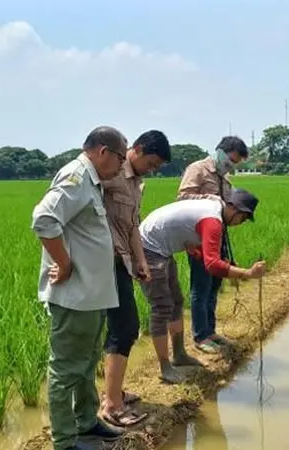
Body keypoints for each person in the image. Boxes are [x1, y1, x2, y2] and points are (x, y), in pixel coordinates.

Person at [31, 126, 128, 450]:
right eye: (120, 157)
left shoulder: (92, 181)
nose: (121, 165)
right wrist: (65, 262)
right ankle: (64, 441)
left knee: (86, 363)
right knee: (65, 369)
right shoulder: (75, 176)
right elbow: (44, 218)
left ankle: (86, 422)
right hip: (75, 297)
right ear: (103, 152)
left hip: (92, 296)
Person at [138, 188, 265, 384]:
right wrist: (247, 273)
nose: (241, 223)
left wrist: (227, 266)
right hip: (148, 247)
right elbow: (212, 264)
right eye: (243, 217)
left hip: (161, 248)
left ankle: (179, 355)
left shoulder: (215, 213)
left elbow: (199, 248)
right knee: (162, 307)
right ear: (233, 208)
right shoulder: (212, 220)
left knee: (176, 302)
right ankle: (165, 368)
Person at [98, 130, 171, 427]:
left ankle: (113, 393)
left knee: (122, 328)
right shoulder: (109, 174)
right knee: (125, 328)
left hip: (122, 261)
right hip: (103, 262)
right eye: (151, 163)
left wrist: (140, 261)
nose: (152, 170)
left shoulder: (137, 184)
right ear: (137, 150)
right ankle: (112, 405)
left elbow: (132, 225)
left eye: (156, 167)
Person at [177, 136, 249, 354]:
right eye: (230, 161)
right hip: (198, 240)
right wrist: (211, 200)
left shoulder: (225, 179)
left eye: (235, 164)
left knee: (214, 286)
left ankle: (211, 331)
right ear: (220, 152)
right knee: (201, 287)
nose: (231, 166)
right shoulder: (197, 169)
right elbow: (182, 199)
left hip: (218, 237)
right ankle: (200, 336)